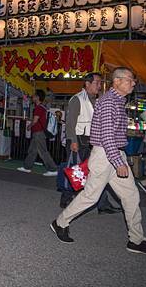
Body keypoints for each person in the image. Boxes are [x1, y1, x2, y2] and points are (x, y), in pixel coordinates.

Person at [51, 67, 146, 256]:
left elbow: (113, 135)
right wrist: (117, 160)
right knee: (91, 197)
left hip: (112, 154)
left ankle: (136, 240)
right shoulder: (109, 102)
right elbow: (106, 136)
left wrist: (120, 157)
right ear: (117, 81)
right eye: (130, 79)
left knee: (131, 196)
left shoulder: (117, 101)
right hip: (106, 156)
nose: (133, 82)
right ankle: (60, 223)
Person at [60, 73, 121, 213]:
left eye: (100, 83)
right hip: (78, 140)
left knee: (98, 173)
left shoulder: (98, 100)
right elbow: (70, 123)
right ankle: (66, 196)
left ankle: (103, 204)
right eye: (97, 83)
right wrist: (73, 141)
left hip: (93, 141)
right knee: (76, 172)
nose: (99, 86)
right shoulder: (77, 99)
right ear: (87, 84)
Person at [17, 90, 58, 176]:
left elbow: (35, 120)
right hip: (39, 132)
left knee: (43, 151)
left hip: (38, 133)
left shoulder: (38, 108)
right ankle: (27, 167)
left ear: (37, 97)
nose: (32, 97)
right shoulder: (43, 107)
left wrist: (29, 126)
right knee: (32, 150)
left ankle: (53, 169)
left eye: (34, 96)